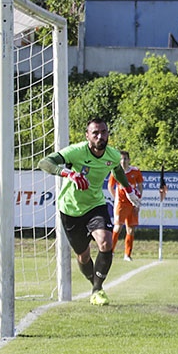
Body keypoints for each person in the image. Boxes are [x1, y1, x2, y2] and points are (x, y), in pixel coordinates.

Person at [38, 118, 140, 306]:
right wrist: (68, 173)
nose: (100, 136)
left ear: (108, 134)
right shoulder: (76, 152)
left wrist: (128, 189)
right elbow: (45, 162)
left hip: (95, 205)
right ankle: (94, 283)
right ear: (87, 136)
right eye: (95, 133)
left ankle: (97, 289)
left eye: (103, 132)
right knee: (83, 256)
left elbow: (116, 170)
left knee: (106, 242)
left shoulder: (113, 154)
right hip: (70, 209)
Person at [108, 151, 144, 261]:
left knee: (131, 229)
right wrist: (116, 198)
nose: (123, 161)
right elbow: (110, 186)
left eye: (125, 159)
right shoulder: (116, 171)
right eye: (121, 159)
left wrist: (138, 201)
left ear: (129, 160)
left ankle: (127, 255)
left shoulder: (135, 171)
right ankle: (110, 252)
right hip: (121, 204)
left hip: (132, 204)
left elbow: (140, 186)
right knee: (118, 227)